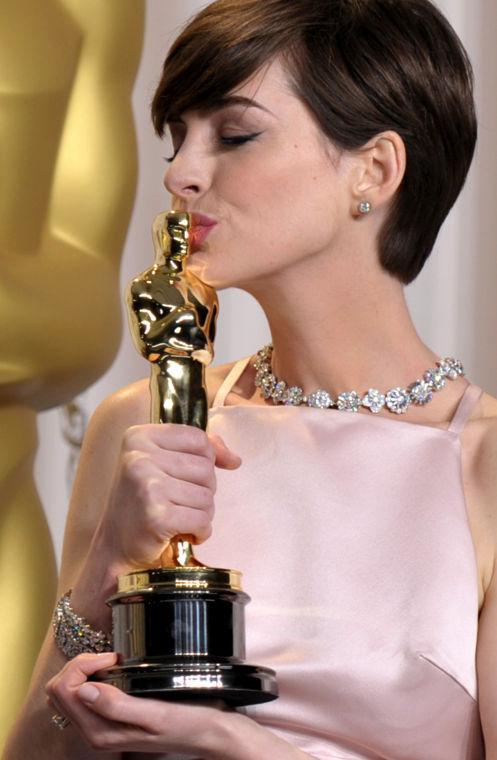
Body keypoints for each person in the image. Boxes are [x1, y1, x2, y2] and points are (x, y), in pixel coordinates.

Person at [5, 0, 497, 757]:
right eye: (176, 139)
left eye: (234, 135)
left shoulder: (482, 463)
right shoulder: (144, 427)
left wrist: (228, 742)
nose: (180, 174)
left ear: (375, 168)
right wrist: (106, 565)